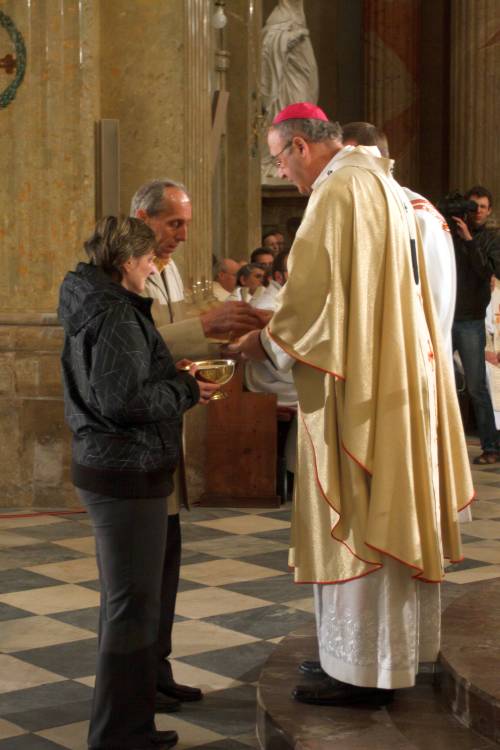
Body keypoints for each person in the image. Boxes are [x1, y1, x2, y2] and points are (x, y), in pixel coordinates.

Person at [230, 102, 473, 706]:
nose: (281, 172)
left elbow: (314, 299)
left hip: (364, 384)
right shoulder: (381, 182)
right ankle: (374, 659)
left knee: (363, 517)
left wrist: (264, 342)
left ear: (302, 146)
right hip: (391, 372)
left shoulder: (340, 191)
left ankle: (365, 672)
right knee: (383, 511)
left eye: (279, 159)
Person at [58, 217, 218, 750]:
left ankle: (125, 724)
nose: (153, 268)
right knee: (131, 608)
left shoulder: (96, 300)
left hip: (113, 466)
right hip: (125, 470)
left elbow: (119, 383)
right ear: (127, 261)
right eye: (149, 259)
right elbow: (122, 400)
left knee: (125, 604)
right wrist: (187, 390)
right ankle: (120, 734)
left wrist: (169, 375)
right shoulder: (116, 314)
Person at [130, 179, 265, 712]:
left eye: (186, 224)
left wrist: (217, 345)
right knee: (140, 577)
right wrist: (200, 329)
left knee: (166, 566)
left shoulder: (169, 268)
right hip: (137, 440)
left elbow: (170, 338)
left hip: (168, 430)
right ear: (143, 218)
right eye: (174, 224)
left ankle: (157, 669)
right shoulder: (121, 270)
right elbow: (132, 346)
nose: (183, 236)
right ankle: (136, 682)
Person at [342, 121, 456, 365]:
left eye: (347, 163)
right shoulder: (382, 209)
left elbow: (432, 300)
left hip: (414, 360)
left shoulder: (415, 215)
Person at [451, 185, 500, 464]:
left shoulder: (491, 239)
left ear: (489, 210)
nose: (477, 211)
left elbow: (487, 271)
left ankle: (491, 447)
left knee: (476, 386)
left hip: (470, 320)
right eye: (473, 206)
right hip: (444, 316)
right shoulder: (449, 232)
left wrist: (469, 240)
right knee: (436, 381)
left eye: (482, 207)